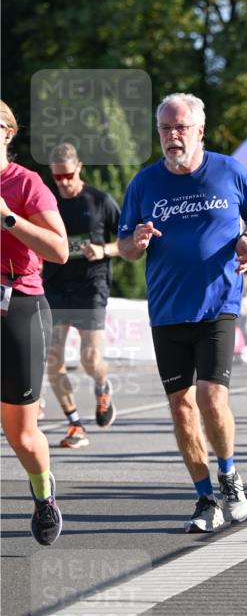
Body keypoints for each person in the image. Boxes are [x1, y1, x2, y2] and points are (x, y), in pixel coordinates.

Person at [118, 92, 247, 533]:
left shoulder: (229, 171)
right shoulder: (144, 184)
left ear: (200, 131)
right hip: (167, 311)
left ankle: (229, 474)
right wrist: (136, 243)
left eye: (181, 127)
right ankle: (205, 498)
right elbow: (124, 247)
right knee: (181, 408)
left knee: (210, 396)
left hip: (218, 303)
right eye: (165, 128)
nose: (172, 135)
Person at [0, 99, 68, 545]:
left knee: (22, 435)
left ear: (6, 133)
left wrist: (6, 218)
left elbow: (59, 250)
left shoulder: (25, 184)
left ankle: (43, 494)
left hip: (17, 305)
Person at [44, 142, 120, 448]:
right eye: (57, 178)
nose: (63, 183)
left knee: (90, 358)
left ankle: (102, 384)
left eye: (67, 176)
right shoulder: (48, 202)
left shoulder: (100, 200)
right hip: (56, 285)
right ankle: (75, 424)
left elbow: (128, 242)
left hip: (92, 284)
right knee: (53, 360)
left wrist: (103, 249)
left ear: (80, 168)